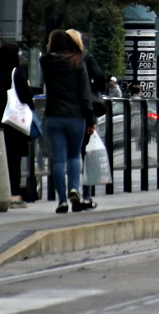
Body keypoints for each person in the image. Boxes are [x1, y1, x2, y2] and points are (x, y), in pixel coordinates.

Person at [41, 30, 94, 213]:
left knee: (57, 160)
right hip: (76, 116)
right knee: (74, 155)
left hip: (54, 116)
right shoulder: (78, 62)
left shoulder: (46, 62)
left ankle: (62, 201)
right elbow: (85, 94)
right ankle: (74, 189)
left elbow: (47, 54)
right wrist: (91, 118)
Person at [0, 41, 34, 209]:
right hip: (13, 124)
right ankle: (13, 194)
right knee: (14, 159)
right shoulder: (16, 75)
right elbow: (26, 97)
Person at [65, 29, 102, 210]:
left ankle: (68, 194)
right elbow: (100, 80)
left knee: (67, 156)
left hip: (62, 113)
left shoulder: (56, 61)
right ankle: (86, 195)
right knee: (86, 154)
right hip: (82, 114)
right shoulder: (86, 61)